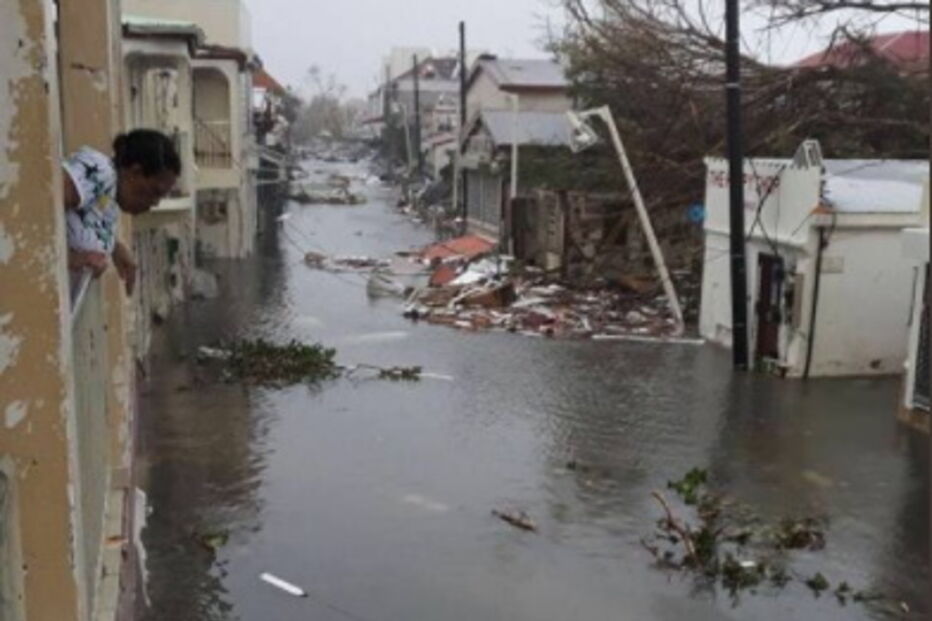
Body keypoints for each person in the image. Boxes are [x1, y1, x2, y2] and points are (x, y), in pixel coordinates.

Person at [64, 129, 181, 295]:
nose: (155, 203)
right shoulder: (101, 172)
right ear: (135, 172)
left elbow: (85, 219)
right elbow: (40, 202)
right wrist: (70, 259)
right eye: (155, 192)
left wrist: (114, 246)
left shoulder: (111, 197)